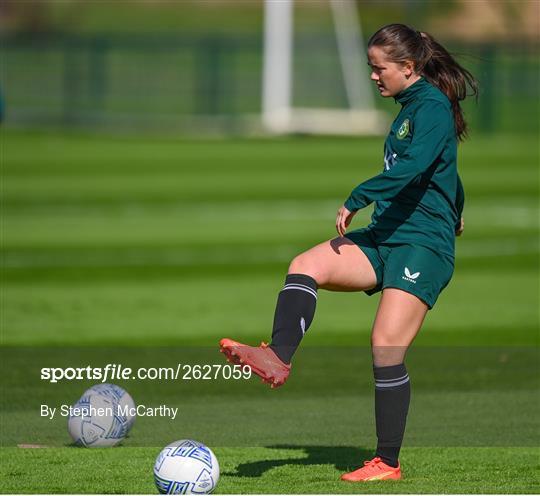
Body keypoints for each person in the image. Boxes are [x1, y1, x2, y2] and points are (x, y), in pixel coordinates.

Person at [220, 23, 477, 481]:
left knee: (386, 347)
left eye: (380, 69)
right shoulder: (409, 107)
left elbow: (420, 164)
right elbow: (443, 167)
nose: (374, 77)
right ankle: (278, 356)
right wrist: (457, 204)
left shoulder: (432, 106)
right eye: (370, 68)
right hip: (387, 237)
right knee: (305, 265)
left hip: (420, 245)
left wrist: (360, 195)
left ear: (408, 67)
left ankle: (387, 463)